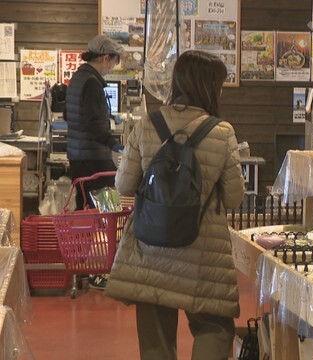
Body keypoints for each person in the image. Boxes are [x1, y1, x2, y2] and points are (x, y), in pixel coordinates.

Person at [104, 50, 245, 360]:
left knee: (155, 329)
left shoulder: (147, 124)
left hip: (152, 245)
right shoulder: (222, 132)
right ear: (209, 87)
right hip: (203, 251)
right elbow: (234, 197)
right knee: (214, 326)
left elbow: (124, 185)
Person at [65, 35, 125, 289]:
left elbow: (73, 115)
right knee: (109, 212)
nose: (112, 66)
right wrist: (117, 145)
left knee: (84, 214)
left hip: (79, 156)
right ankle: (99, 271)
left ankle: (81, 268)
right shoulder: (92, 82)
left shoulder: (79, 78)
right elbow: (93, 124)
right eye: (113, 61)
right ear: (104, 57)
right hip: (94, 160)